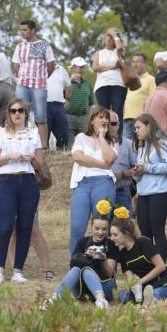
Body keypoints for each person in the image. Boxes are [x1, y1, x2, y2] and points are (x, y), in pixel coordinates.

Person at [0, 98, 44, 284]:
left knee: (25, 227)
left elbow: (41, 162)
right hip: (7, 180)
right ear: (9, 114)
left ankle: (18, 271)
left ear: (26, 114)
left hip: (28, 180)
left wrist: (32, 158)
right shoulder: (1, 133)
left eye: (20, 110)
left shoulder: (34, 133)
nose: (17, 114)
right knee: (5, 227)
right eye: (13, 111)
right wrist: (9, 155)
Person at [46, 202, 116, 309]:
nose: (100, 232)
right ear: (91, 227)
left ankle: (101, 300)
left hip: (105, 287)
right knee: (76, 270)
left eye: (104, 229)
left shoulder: (111, 245)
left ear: (108, 229)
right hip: (82, 289)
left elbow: (110, 274)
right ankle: (55, 299)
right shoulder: (82, 242)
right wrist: (85, 255)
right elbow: (72, 264)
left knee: (87, 271)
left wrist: (103, 260)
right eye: (97, 228)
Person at [69, 106, 117, 253]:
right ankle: (76, 262)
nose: (104, 120)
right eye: (101, 117)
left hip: (104, 182)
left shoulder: (111, 141)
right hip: (83, 183)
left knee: (102, 226)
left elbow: (110, 159)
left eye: (106, 118)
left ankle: (104, 265)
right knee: (77, 227)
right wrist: (102, 164)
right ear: (92, 120)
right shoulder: (81, 137)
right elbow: (78, 157)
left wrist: (102, 137)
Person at [132, 114, 167, 262]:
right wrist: (137, 173)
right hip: (144, 193)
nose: (136, 131)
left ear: (149, 126)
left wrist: (147, 168)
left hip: (160, 192)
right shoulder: (141, 146)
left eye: (139, 127)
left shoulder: (161, 143)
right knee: (145, 232)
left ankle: (161, 266)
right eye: (135, 128)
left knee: (157, 230)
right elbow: (141, 171)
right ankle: (149, 264)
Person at [109, 208, 167, 303]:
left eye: (115, 235)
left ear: (126, 234)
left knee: (155, 293)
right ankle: (149, 299)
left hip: (162, 283)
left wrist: (140, 282)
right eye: (111, 235)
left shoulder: (143, 243)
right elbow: (130, 277)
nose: (112, 238)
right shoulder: (122, 254)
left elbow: (161, 266)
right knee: (122, 296)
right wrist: (133, 285)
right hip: (143, 287)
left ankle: (156, 299)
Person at [12, 20, 55, 148]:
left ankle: (44, 146)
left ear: (32, 30)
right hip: (22, 85)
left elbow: (51, 66)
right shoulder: (19, 46)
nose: (22, 32)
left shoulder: (44, 45)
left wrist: (41, 78)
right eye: (21, 30)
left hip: (39, 86)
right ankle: (21, 144)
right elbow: (15, 64)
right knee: (20, 114)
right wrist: (21, 76)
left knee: (40, 117)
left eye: (25, 30)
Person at [92, 28, 127, 126]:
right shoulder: (98, 53)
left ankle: (118, 138)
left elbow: (120, 48)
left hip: (118, 84)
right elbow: (95, 67)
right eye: (108, 36)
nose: (110, 38)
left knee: (118, 111)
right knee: (104, 113)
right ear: (104, 39)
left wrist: (115, 35)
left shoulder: (119, 51)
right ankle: (104, 135)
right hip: (102, 84)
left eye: (113, 37)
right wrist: (112, 66)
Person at [122, 53, 155, 140]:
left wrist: (147, 120)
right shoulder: (129, 80)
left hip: (141, 120)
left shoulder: (151, 79)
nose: (135, 64)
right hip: (126, 119)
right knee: (127, 147)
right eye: (133, 62)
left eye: (138, 62)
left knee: (140, 146)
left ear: (144, 64)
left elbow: (153, 101)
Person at [109, 111, 136, 211]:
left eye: (113, 123)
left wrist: (123, 174)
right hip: (101, 192)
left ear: (119, 125)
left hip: (122, 192)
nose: (110, 126)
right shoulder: (96, 144)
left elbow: (136, 168)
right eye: (107, 123)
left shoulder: (128, 144)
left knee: (123, 225)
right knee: (102, 225)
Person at [66, 57, 95, 147]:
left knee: (85, 143)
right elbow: (61, 95)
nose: (82, 69)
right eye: (80, 67)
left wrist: (90, 119)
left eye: (83, 67)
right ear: (73, 68)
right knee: (69, 144)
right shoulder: (66, 81)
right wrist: (69, 81)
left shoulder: (88, 84)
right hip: (69, 117)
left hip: (84, 118)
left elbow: (91, 103)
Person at [46, 61, 72, 149]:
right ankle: (45, 153)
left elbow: (68, 86)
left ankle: (61, 151)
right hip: (44, 105)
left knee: (64, 132)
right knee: (45, 132)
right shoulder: (39, 68)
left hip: (59, 106)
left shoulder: (61, 70)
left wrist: (67, 99)